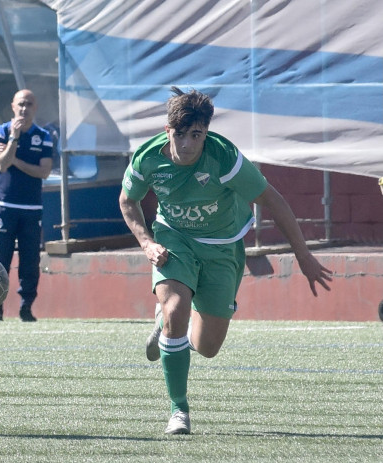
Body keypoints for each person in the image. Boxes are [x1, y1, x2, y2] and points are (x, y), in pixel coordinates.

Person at [119, 87, 333, 435]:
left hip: (222, 247)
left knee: (207, 347)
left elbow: (273, 201)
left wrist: (304, 255)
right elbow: (128, 202)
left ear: (206, 132)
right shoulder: (147, 159)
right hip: (174, 238)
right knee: (175, 307)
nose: (187, 144)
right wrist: (147, 243)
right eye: (179, 134)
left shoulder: (224, 158)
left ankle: (170, 325)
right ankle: (179, 410)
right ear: (166, 129)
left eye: (196, 135)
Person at [0, 89, 53, 322]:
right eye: (21, 104)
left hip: (31, 208)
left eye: (29, 104)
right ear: (13, 106)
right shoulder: (1, 131)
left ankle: (26, 307)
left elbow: (44, 171)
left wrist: (14, 158)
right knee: (0, 259)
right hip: (4, 204)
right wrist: (14, 139)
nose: (24, 109)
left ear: (35, 108)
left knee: (30, 260)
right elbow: (2, 165)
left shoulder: (43, 136)